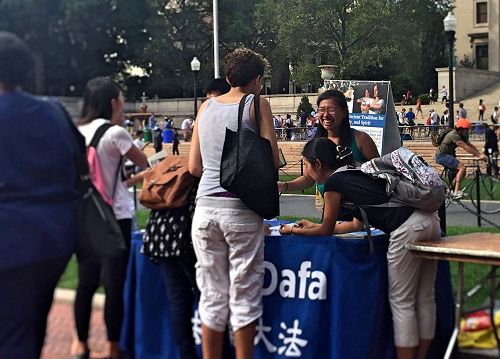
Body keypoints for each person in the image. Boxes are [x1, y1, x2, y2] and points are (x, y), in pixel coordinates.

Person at [280, 137, 441, 359]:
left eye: (307, 165)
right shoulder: (352, 170)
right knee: (424, 297)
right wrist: (313, 226)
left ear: (317, 164)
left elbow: (326, 230)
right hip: (429, 220)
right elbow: (355, 224)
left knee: (402, 301)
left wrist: (292, 230)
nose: (307, 171)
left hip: (407, 229)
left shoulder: (333, 184)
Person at [188, 47, 279, 359]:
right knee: (244, 294)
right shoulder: (257, 103)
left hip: (205, 207)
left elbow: (193, 168)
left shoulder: (206, 108)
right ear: (256, 80)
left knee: (212, 295)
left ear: (227, 77)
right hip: (240, 208)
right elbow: (272, 158)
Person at [0, 31, 79, 359]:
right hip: (53, 240)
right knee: (29, 330)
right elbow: (79, 165)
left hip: (10, 241)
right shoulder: (54, 112)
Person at [73, 77, 148, 359]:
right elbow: (143, 162)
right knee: (114, 286)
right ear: (113, 102)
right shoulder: (117, 134)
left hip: (84, 217)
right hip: (115, 215)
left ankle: (80, 344)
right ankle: (113, 347)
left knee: (86, 283)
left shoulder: (76, 131)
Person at [278, 90, 379, 201]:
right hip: (329, 209)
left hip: (359, 212)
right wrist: (283, 186)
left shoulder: (361, 139)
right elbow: (308, 178)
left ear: (344, 112)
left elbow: (380, 174)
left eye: (332, 110)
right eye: (321, 110)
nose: (326, 115)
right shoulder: (315, 144)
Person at [435, 118, 487, 198]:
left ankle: (451, 190)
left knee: (461, 172)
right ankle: (456, 192)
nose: (468, 131)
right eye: (466, 130)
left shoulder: (461, 135)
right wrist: (479, 155)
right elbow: (466, 147)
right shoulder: (454, 135)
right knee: (462, 168)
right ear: (461, 129)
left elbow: (470, 145)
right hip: (442, 156)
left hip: (449, 155)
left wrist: (480, 153)